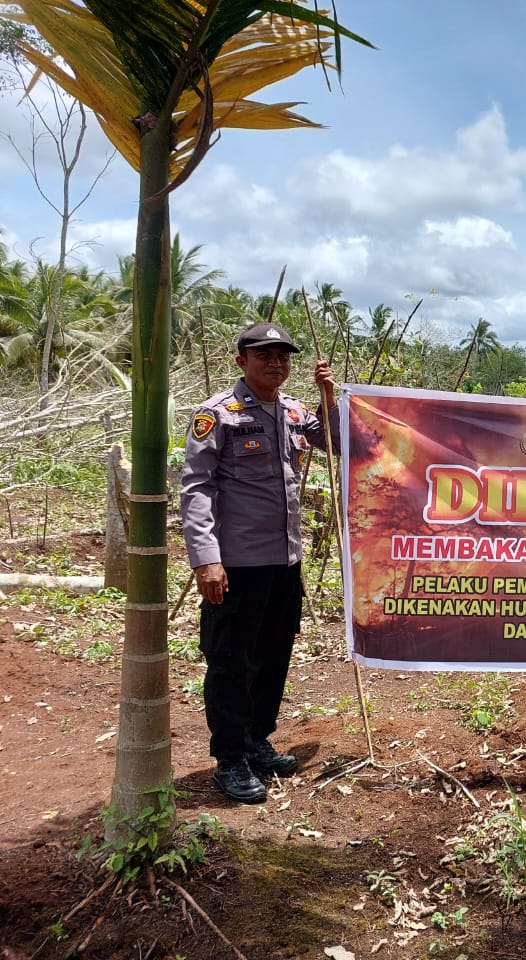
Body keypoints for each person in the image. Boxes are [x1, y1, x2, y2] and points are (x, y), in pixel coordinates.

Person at [180, 321, 339, 804]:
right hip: (236, 565)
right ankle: (230, 758)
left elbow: (335, 441)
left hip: (284, 562)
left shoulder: (292, 411)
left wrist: (328, 397)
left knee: (273, 655)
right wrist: (206, 560)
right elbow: (196, 489)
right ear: (241, 361)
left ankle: (257, 741)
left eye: (283, 356)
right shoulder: (217, 416)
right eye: (264, 354)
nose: (276, 363)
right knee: (231, 661)